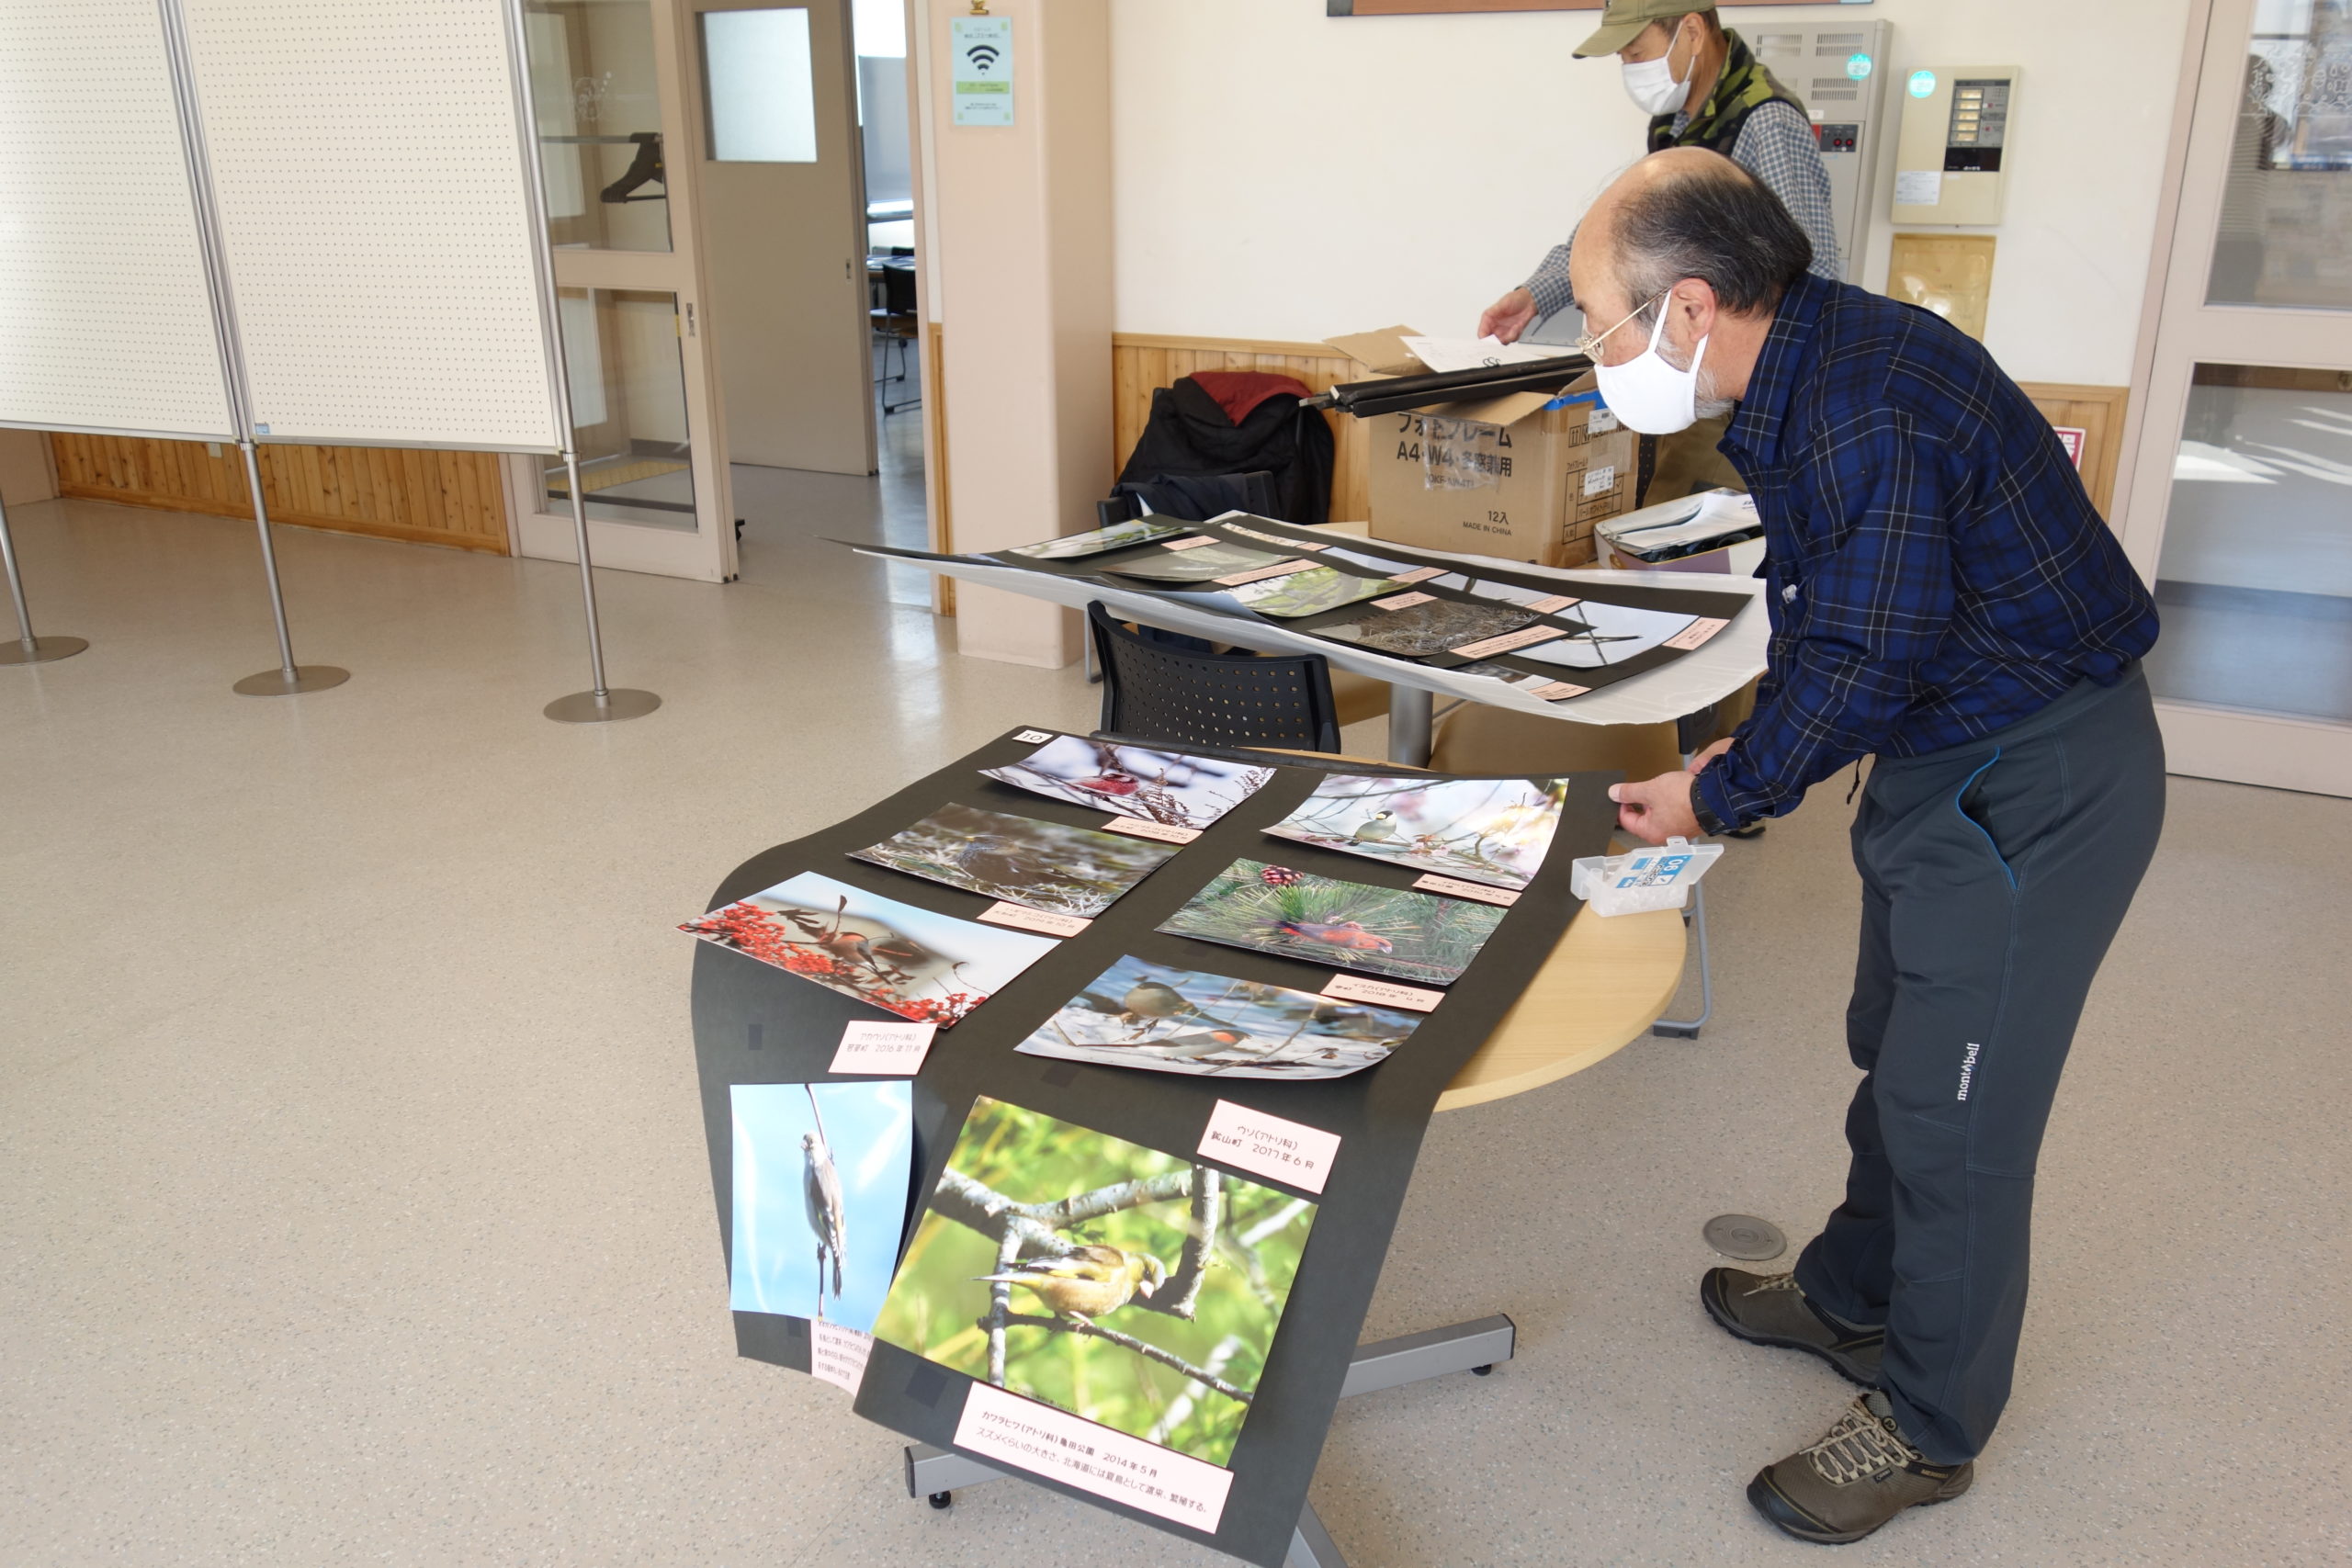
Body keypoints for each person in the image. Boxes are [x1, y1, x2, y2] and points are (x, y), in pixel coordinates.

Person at [1577, 149, 2166, 1545]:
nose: (1600, 348)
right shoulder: (1815, 360)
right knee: (1895, 1043)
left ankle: (1927, 1424)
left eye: (1605, 318)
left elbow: (1866, 652)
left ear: (1692, 306)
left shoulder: (1861, 408)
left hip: (2036, 783)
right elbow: (1847, 616)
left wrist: (1720, 795)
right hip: (1949, 756)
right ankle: (1853, 1294)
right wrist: (1752, 745)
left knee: (1956, 1114)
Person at [1478, 2, 1840, 504]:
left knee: (1684, 530)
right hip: (1690, 375)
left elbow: (1814, 272)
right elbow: (1622, 241)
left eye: (1635, 52)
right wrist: (1535, 296)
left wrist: (1771, 406)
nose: (1630, 68)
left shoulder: (1764, 123)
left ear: (1691, 30)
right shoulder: (1676, 125)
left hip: (1746, 396)